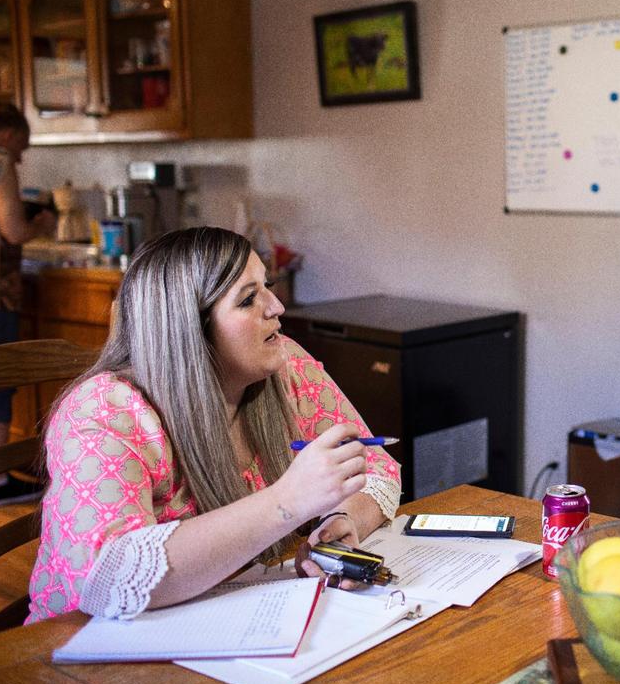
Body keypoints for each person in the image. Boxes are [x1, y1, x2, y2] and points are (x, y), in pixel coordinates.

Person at [26, 226, 402, 622]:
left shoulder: (285, 365)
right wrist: (288, 501)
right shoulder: (104, 410)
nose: (276, 306)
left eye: (268, 286)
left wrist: (340, 520)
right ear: (188, 329)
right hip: (85, 642)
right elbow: (110, 576)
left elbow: (375, 466)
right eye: (248, 299)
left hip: (226, 616)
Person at [0, 101, 56, 507]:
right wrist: (41, 224)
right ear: (11, 134)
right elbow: (13, 230)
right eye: (22, 147)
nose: (20, 156)